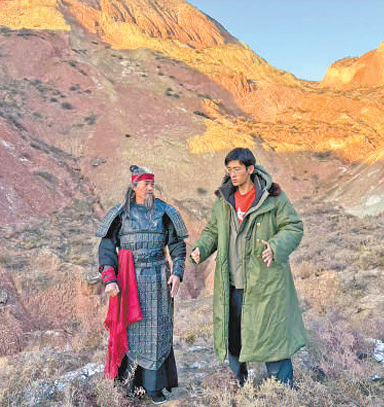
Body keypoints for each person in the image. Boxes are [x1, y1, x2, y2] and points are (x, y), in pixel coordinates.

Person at [191, 148, 306, 387]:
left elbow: (293, 227)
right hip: (232, 283)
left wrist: (275, 246)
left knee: (272, 335)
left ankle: (283, 390)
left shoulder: (272, 198)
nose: (232, 174)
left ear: (250, 169)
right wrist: (201, 248)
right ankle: (237, 385)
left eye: (237, 169)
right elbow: (213, 231)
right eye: (229, 170)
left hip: (266, 283)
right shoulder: (224, 202)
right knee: (234, 337)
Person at [96, 165, 188, 404]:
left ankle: (154, 388)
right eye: (146, 184)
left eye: (152, 184)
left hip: (158, 280)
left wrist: (177, 273)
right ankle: (129, 386)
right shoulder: (120, 215)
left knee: (157, 332)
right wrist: (109, 279)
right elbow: (106, 249)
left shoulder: (164, 212)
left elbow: (177, 246)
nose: (150, 188)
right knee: (132, 332)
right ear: (134, 186)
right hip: (129, 282)